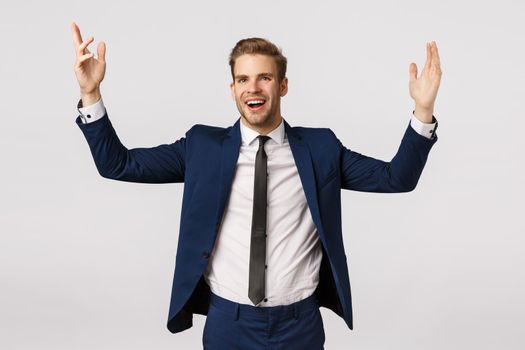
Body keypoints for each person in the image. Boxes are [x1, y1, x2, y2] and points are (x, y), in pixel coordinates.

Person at [71, 22, 441, 349]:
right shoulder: (201, 147)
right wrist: (91, 94)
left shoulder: (320, 148)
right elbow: (118, 164)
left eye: (264, 77)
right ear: (232, 89)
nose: (254, 88)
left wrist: (423, 111)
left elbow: (397, 179)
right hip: (227, 324)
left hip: (300, 325)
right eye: (243, 79)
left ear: (282, 85)